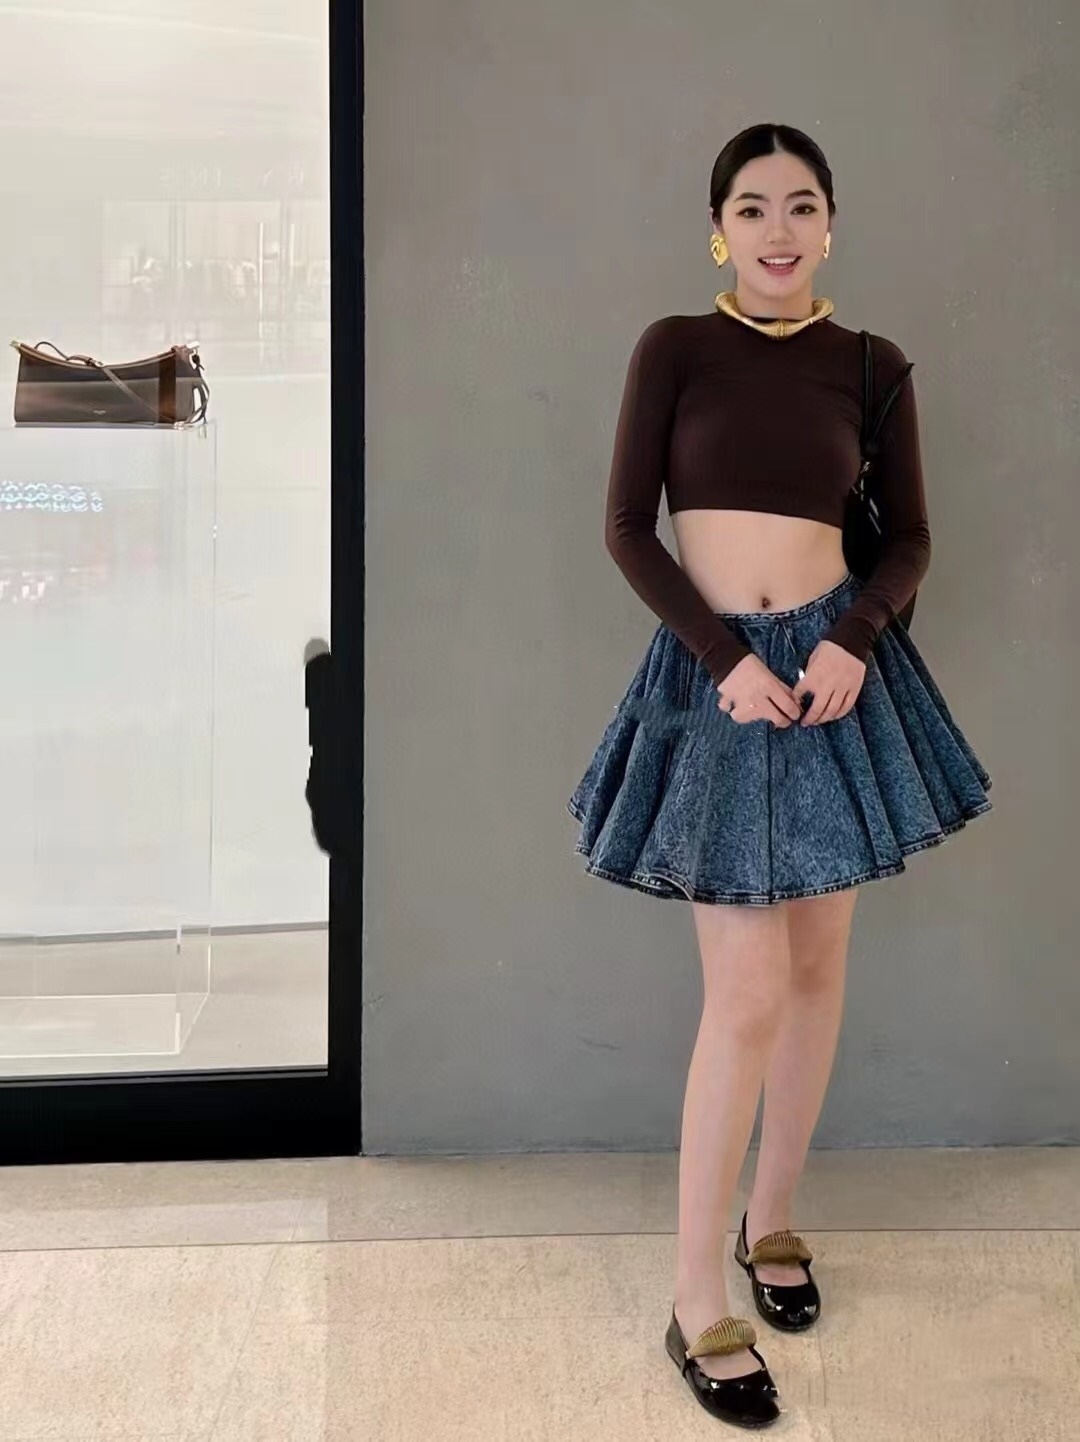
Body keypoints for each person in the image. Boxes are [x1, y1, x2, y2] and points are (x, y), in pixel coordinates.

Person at [566, 123, 993, 1429]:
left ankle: (773, 1220)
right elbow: (627, 528)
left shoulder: (871, 366)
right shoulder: (673, 348)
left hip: (834, 677)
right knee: (745, 988)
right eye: (751, 207)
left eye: (801, 205)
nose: (777, 229)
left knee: (814, 970)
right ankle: (697, 1295)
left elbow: (909, 537)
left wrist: (854, 639)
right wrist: (723, 658)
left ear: (830, 224)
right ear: (718, 231)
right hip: (716, 680)